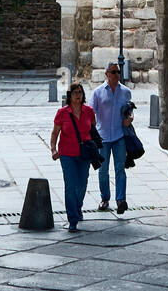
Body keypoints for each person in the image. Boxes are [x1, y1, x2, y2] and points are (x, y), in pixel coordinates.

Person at [50, 81, 96, 232]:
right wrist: (53, 149)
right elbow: (55, 133)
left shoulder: (89, 111)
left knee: (82, 184)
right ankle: (73, 218)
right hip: (67, 154)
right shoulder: (62, 113)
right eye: (75, 93)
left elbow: (93, 131)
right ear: (70, 96)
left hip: (84, 154)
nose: (78, 95)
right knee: (70, 186)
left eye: (80, 93)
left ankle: (77, 207)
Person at [90, 62, 133, 214]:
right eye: (113, 72)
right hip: (102, 137)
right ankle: (105, 198)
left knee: (120, 169)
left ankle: (121, 200)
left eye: (118, 72)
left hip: (119, 136)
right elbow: (91, 114)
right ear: (106, 74)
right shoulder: (97, 92)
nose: (116, 75)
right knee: (103, 170)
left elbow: (129, 110)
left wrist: (130, 118)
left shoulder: (126, 92)